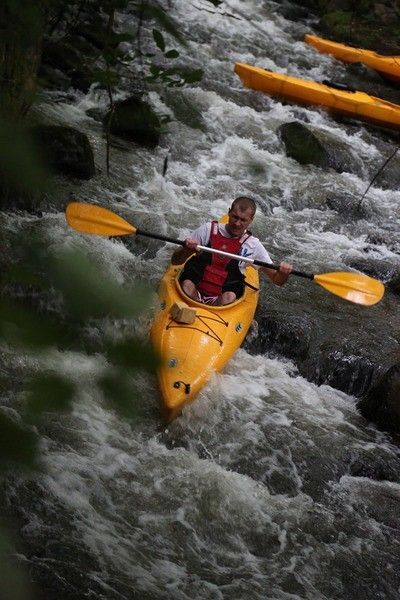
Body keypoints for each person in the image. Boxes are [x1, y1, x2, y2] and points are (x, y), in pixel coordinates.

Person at [171, 196, 293, 305]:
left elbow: (277, 280)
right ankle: (194, 304)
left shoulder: (253, 245)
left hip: (222, 300)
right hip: (192, 290)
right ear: (229, 212)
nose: (237, 223)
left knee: (230, 296)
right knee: (186, 284)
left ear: (251, 220)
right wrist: (187, 249)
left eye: (243, 220)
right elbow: (175, 261)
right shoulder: (207, 230)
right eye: (235, 217)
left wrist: (283, 273)